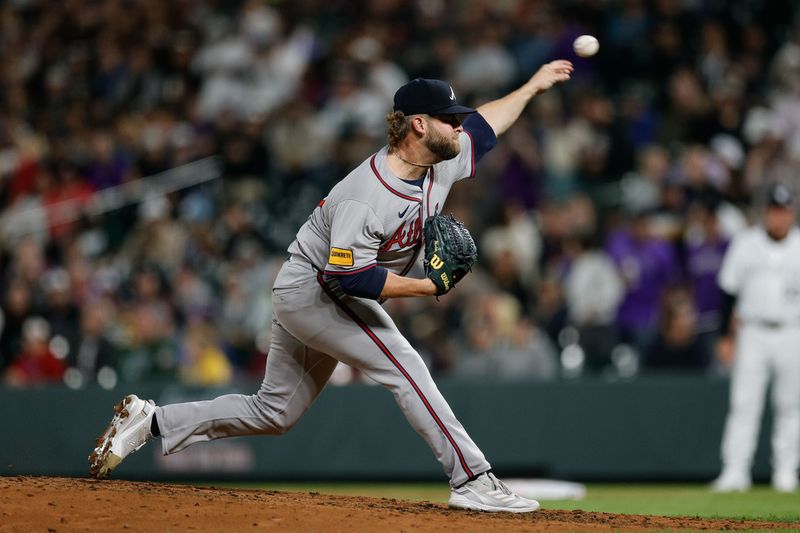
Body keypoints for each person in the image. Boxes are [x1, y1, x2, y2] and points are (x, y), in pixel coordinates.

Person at [88, 60, 574, 512]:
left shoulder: (438, 160)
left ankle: (149, 422)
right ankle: (473, 480)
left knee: (274, 412)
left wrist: (532, 85)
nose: (458, 126)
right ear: (418, 125)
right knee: (405, 367)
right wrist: (428, 289)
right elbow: (351, 276)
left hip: (318, 290)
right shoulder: (367, 195)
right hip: (316, 290)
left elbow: (486, 127)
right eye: (448, 118)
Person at [711, 183, 800, 493]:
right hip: (752, 330)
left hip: (792, 331)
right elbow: (727, 291)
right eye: (775, 211)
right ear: (766, 213)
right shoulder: (746, 243)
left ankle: (786, 472)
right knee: (744, 403)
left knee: (790, 404)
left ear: (791, 213)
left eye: (784, 211)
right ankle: (735, 471)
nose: (779, 217)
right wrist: (726, 336)